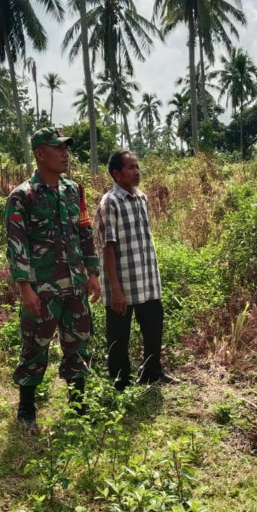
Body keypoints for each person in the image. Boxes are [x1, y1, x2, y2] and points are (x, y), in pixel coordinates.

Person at [5, 127, 101, 431]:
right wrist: (25, 288)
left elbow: (84, 231)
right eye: (57, 148)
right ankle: (26, 410)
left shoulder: (74, 190)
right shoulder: (22, 196)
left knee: (79, 345)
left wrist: (93, 272)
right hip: (42, 289)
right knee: (34, 347)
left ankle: (77, 405)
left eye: (66, 148)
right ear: (40, 154)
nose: (65, 154)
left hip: (75, 286)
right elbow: (16, 244)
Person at [96, 149, 175, 390]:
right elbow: (107, 247)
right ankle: (120, 381)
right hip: (123, 283)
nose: (137, 172)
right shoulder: (110, 202)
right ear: (116, 174)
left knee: (153, 326)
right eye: (130, 168)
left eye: (137, 166)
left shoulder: (141, 198)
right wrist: (116, 289)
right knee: (119, 335)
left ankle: (152, 371)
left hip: (147, 279)